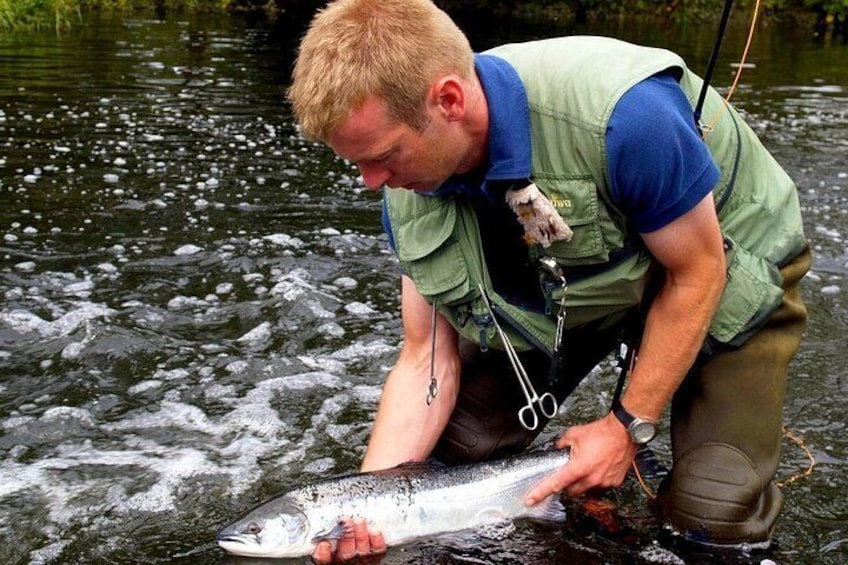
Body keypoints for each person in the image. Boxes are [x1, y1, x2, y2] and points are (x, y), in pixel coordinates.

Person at [287, 0, 810, 562]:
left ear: (449, 101)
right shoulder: (405, 189)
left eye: (384, 156)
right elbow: (423, 360)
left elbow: (698, 273)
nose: (371, 183)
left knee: (711, 523)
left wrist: (624, 428)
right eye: (358, 163)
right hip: (576, 282)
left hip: (720, 265)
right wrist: (366, 507)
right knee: (454, 459)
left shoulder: (628, 118)